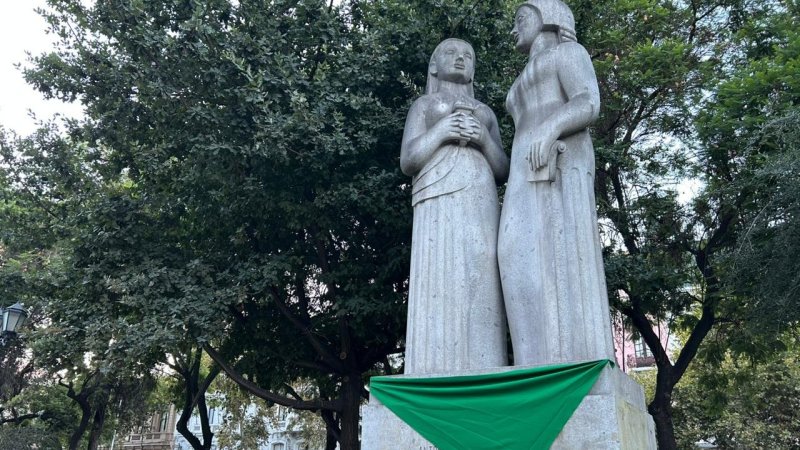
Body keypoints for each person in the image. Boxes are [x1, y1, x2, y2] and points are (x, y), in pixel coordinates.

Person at [498, 0, 615, 366]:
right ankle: (531, 364)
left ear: (545, 16)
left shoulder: (569, 53)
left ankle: (571, 359)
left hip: (560, 158)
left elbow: (588, 101)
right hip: (523, 170)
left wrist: (550, 128)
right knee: (512, 254)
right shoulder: (524, 74)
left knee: (557, 254)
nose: (513, 28)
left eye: (520, 18)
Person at [400, 38, 509, 374]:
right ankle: (430, 365)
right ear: (434, 65)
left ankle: (484, 364)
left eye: (468, 56)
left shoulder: (486, 113)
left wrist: (484, 139)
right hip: (436, 200)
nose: (461, 59)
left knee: (482, 271)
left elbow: (503, 169)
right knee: (437, 275)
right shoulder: (424, 106)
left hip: (480, 198)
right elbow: (408, 160)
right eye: (451, 53)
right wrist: (442, 130)